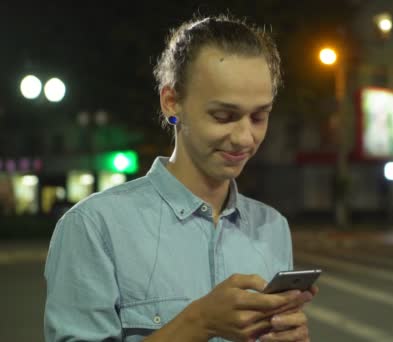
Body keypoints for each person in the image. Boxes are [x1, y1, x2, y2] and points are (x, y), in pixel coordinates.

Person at [44, 14, 318, 342]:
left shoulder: (272, 226)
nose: (245, 137)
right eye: (224, 116)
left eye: (259, 116)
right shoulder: (94, 227)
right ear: (172, 103)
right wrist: (199, 323)